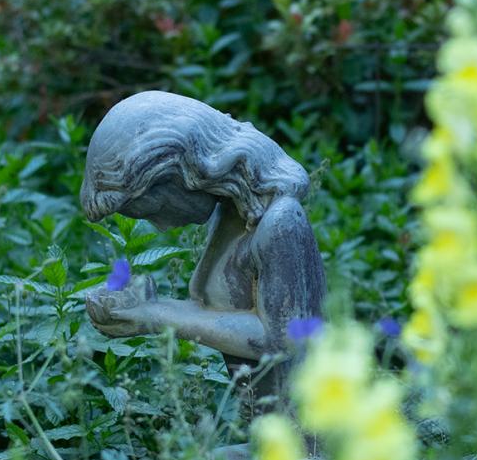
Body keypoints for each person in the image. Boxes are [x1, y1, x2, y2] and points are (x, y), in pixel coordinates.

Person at [80, 90, 325, 412]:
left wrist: (153, 315)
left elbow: (282, 340)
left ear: (182, 172)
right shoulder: (232, 212)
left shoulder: (281, 221)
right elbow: (216, 313)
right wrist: (144, 306)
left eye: (153, 210)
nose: (162, 227)